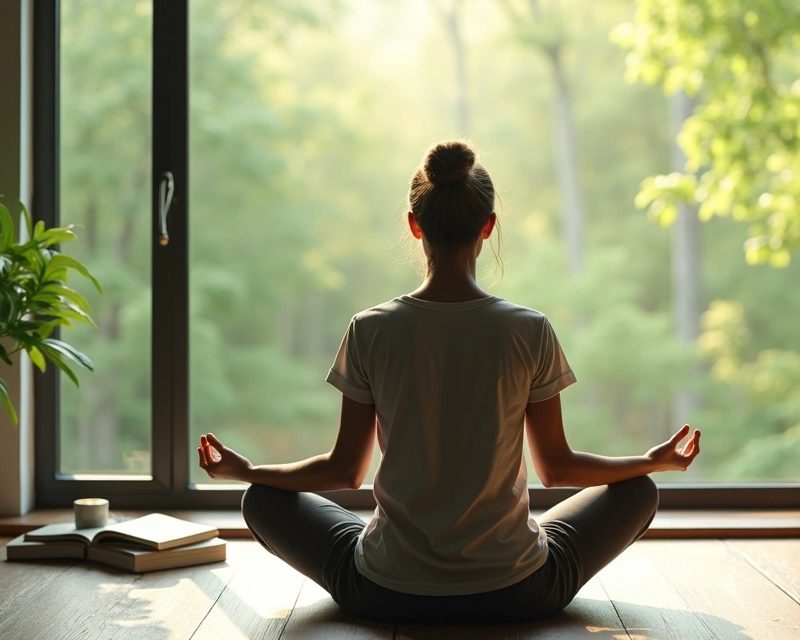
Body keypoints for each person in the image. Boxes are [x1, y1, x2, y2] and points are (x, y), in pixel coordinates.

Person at [196, 140, 701, 624]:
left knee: (261, 499)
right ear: (488, 226)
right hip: (519, 593)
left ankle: (396, 554)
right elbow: (557, 467)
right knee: (639, 492)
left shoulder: (370, 328)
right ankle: (507, 549)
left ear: (415, 226)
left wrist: (251, 471)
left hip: (386, 593)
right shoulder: (529, 329)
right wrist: (650, 461)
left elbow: (345, 471)